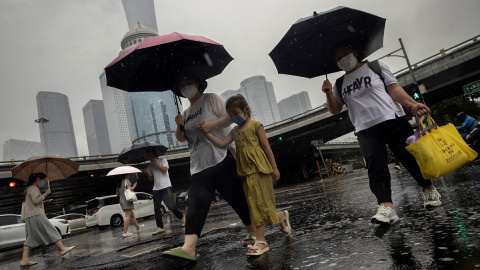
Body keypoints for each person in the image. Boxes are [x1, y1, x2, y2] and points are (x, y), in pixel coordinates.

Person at [321, 44, 442, 225]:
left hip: (391, 118)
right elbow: (335, 109)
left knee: (410, 158)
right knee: (376, 167)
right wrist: (329, 93)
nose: (342, 60)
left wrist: (412, 104)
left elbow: (393, 88)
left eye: (345, 54)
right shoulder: (339, 83)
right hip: (364, 128)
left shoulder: (375, 67)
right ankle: (387, 207)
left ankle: (428, 188)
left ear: (354, 53)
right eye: (338, 58)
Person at [162, 73, 254, 262]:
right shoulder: (185, 114)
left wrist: (211, 124)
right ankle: (188, 248)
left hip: (220, 158)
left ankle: (252, 229)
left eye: (189, 82)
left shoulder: (210, 98)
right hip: (198, 165)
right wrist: (179, 126)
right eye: (182, 85)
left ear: (197, 83)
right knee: (195, 204)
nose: (186, 86)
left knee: (237, 198)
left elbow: (230, 117)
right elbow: (181, 138)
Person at [200, 94, 291, 256]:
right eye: (231, 115)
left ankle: (261, 241)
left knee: (261, 204)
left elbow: (266, 147)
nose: (234, 117)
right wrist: (207, 132)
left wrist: (274, 168)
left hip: (261, 170)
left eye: (236, 113)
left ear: (246, 110)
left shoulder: (256, 125)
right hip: (245, 173)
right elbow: (222, 143)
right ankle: (280, 217)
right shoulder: (235, 131)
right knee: (254, 205)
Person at [20, 172, 75, 267]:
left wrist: (43, 201)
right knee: (51, 230)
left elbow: (34, 202)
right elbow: (36, 201)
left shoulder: (29, 189)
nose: (44, 182)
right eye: (43, 180)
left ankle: (24, 259)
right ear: (37, 179)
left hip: (31, 216)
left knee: (30, 238)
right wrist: (45, 194)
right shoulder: (33, 188)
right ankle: (62, 249)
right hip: (36, 215)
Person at [144, 148, 186, 235]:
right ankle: (160, 227)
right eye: (147, 155)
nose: (148, 156)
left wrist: (156, 163)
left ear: (153, 154)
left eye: (149, 154)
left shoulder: (163, 160)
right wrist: (147, 173)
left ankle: (181, 216)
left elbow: (164, 170)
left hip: (166, 186)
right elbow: (151, 179)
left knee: (171, 206)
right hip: (156, 188)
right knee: (156, 208)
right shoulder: (150, 166)